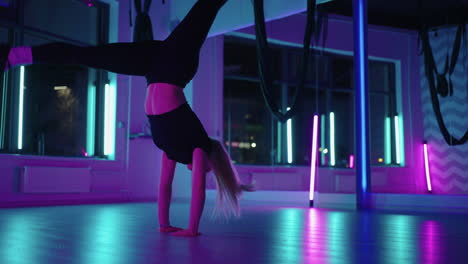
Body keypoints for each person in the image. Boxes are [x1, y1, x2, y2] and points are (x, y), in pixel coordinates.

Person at [0, 0, 254, 237]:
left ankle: (14, 56)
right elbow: (198, 191)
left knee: (90, 57)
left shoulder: (173, 151)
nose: (201, 172)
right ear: (211, 159)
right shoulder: (199, 148)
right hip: (177, 62)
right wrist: (192, 229)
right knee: (206, 8)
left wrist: (164, 224)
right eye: (210, 170)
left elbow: (164, 187)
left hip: (153, 65)